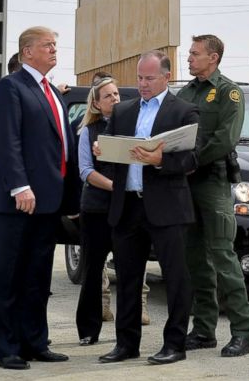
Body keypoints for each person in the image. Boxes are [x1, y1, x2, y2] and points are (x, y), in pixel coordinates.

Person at [97, 51, 199, 366]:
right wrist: (103, 151)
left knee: (175, 277)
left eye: (149, 78)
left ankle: (174, 345)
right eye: (140, 77)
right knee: (127, 278)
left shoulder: (184, 111)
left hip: (167, 208)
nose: (142, 84)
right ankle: (126, 344)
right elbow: (116, 155)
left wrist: (160, 161)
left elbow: (193, 159)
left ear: (166, 76)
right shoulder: (123, 111)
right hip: (127, 206)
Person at [0, 26, 71, 370]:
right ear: (26, 52)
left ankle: (35, 342)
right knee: (8, 275)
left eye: (55, 45)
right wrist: (20, 186)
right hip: (17, 200)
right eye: (47, 46)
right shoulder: (11, 87)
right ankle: (6, 347)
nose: (54, 50)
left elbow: (58, 147)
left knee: (38, 276)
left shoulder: (52, 92)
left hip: (48, 202)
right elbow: (8, 142)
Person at [177, 34, 249, 357]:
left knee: (223, 257)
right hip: (187, 184)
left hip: (213, 181)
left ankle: (242, 332)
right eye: (190, 54)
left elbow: (227, 138)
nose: (189, 59)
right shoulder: (185, 92)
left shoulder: (228, 93)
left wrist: (195, 160)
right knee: (195, 260)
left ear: (214, 57)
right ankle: (204, 330)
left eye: (195, 54)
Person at [74, 78, 151, 346]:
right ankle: (88, 329)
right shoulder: (89, 131)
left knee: (129, 270)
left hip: (127, 209)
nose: (115, 99)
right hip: (96, 209)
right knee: (93, 270)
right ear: (96, 103)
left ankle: (126, 331)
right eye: (107, 96)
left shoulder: (132, 127)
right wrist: (114, 186)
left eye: (117, 93)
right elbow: (85, 170)